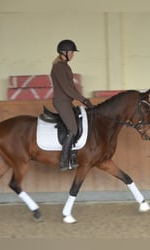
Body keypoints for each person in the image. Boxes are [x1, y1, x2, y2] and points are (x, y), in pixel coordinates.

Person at [51, 39, 93, 171]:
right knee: (73, 129)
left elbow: (73, 88)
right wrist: (83, 100)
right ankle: (64, 160)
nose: (73, 55)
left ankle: (73, 154)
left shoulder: (65, 66)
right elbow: (67, 89)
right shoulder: (58, 67)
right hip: (61, 102)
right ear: (64, 52)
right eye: (72, 52)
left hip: (67, 101)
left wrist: (83, 99)